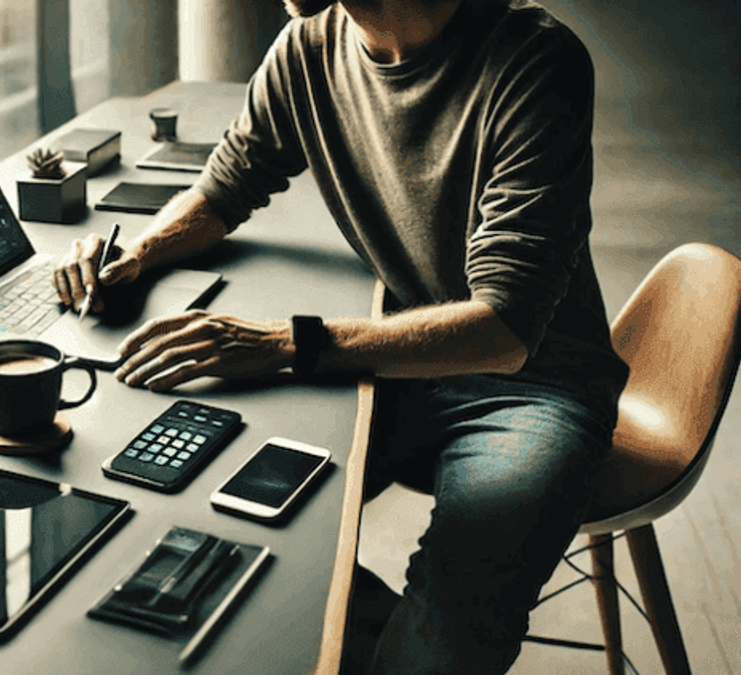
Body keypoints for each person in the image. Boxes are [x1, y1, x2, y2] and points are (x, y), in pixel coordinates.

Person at [53, 0, 628, 673]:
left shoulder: (535, 60)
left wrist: (286, 343)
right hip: (398, 361)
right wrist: (137, 255)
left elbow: (504, 329)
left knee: (452, 627)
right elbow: (222, 189)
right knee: (196, 488)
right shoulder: (307, 49)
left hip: (534, 389)